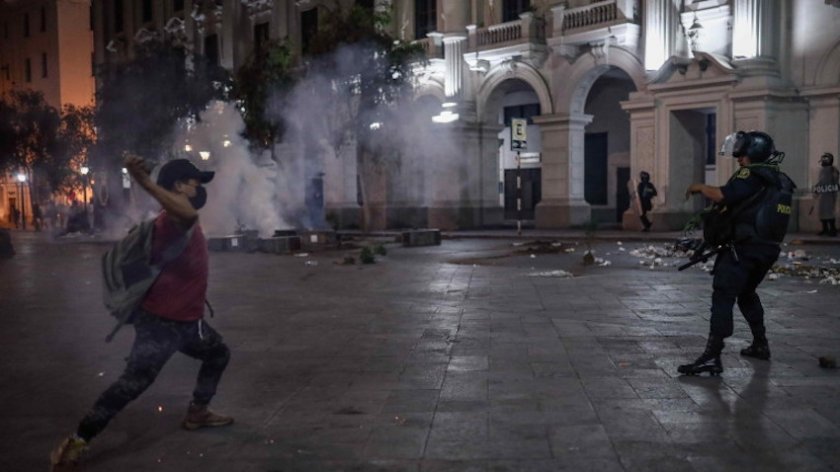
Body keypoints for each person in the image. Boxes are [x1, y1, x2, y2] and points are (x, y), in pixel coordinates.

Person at [50, 157, 232, 469]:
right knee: (131, 384)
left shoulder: (176, 218)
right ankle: (76, 441)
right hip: (162, 324)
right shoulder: (174, 221)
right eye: (193, 181)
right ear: (177, 186)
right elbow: (187, 214)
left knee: (218, 354)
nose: (198, 187)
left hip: (188, 323)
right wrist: (145, 182)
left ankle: (197, 412)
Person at [678, 130, 791, 376]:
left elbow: (722, 195)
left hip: (744, 248)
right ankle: (760, 344)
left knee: (723, 295)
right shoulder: (779, 179)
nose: (739, 158)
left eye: (743, 154)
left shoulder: (749, 174)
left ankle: (712, 356)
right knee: (747, 293)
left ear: (753, 153)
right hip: (767, 248)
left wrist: (699, 187)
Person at [814, 152, 838, 236]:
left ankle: (833, 229)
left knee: (829, 212)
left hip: (830, 194)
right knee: (822, 212)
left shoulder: (833, 170)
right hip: (823, 194)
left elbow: (835, 181)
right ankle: (825, 229)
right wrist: (817, 189)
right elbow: (820, 181)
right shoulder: (822, 171)